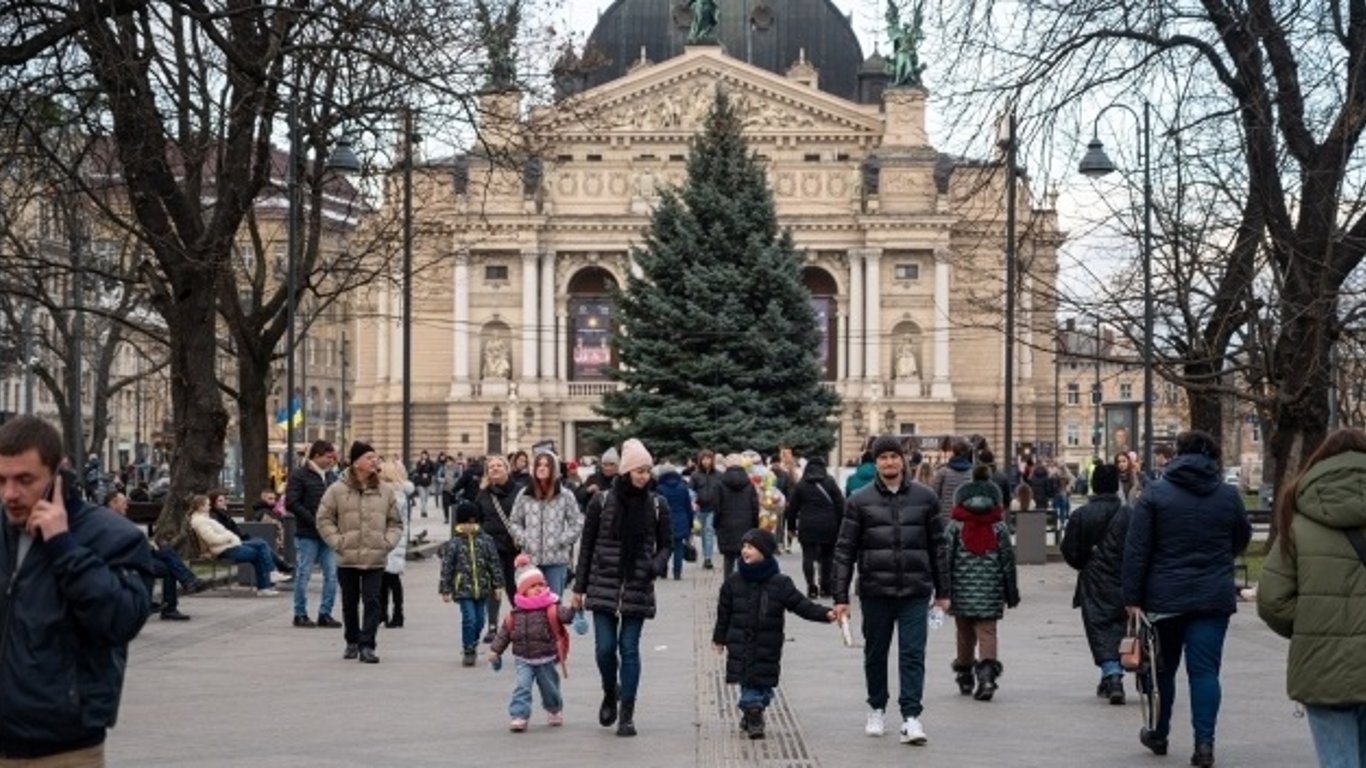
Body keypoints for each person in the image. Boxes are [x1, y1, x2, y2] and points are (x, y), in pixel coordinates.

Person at [0, 416, 154, 765]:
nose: (10, 494)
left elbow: (121, 620)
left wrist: (64, 547)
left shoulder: (112, 537)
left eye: (24, 480)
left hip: (65, 749)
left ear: (58, 476)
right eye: (1, 480)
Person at [1123, 430, 1251, 768]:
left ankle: (1159, 733)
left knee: (1162, 670)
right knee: (1205, 672)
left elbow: (1137, 550)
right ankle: (1204, 744)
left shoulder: (1155, 494)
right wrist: (1219, 561)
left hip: (1164, 596)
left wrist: (1132, 597)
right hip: (1213, 596)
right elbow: (1241, 537)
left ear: (1178, 454)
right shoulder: (1227, 495)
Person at [1257, 428, 1366, 768]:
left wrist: (1313, 624)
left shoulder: (1299, 518)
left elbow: (1272, 600)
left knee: (1338, 762)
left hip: (1323, 666)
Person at [832, 434, 950, 746]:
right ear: (876, 462)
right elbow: (844, 550)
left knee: (913, 654)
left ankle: (911, 717)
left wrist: (943, 592)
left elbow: (939, 547)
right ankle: (876, 708)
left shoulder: (925, 498)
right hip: (875, 590)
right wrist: (840, 596)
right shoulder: (859, 500)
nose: (888, 462)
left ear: (903, 460)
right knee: (876, 653)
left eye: (893, 456)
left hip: (914, 590)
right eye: (882, 457)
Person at [572, 438, 672, 737]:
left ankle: (627, 713)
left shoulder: (657, 504)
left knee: (628, 649)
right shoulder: (600, 502)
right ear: (626, 471)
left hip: (637, 585)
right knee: (604, 650)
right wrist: (578, 588)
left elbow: (667, 544)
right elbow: (586, 546)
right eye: (639, 470)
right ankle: (609, 691)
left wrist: (654, 566)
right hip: (603, 583)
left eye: (647, 470)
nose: (644, 476)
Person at [713, 528, 836, 739]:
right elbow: (723, 613)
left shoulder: (780, 583)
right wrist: (719, 638)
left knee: (763, 685)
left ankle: (752, 710)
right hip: (740, 643)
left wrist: (826, 614)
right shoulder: (733, 581)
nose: (745, 551)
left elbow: (801, 605)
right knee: (749, 683)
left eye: (750, 547)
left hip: (767, 644)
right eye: (744, 546)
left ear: (764, 551)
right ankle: (754, 715)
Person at [317, 441, 403, 664]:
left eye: (375, 457)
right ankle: (352, 641)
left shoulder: (385, 491)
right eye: (369, 457)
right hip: (348, 556)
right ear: (356, 463)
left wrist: (387, 542)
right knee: (349, 601)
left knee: (373, 601)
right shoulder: (337, 489)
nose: (374, 461)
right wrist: (338, 541)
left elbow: (396, 523)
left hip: (375, 556)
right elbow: (324, 519)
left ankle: (368, 645)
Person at [945, 464, 1018, 701]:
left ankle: (965, 676)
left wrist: (942, 589)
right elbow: (1008, 561)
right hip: (990, 591)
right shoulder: (999, 527)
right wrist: (1011, 592)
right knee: (988, 632)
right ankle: (987, 678)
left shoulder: (956, 526)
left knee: (964, 633)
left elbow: (945, 558)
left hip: (961, 590)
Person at [1060, 463, 1131, 705]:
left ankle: (1111, 674)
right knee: (1123, 626)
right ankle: (1116, 672)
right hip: (1125, 578)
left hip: (1094, 580)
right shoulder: (1129, 514)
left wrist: (1085, 564)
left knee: (1099, 626)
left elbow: (1069, 549)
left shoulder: (1082, 515)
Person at [489, 555, 577, 731]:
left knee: (550, 688)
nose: (537, 589)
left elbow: (566, 617)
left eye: (540, 585)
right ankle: (519, 715)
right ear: (522, 591)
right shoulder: (515, 613)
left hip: (546, 657)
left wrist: (574, 607)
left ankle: (554, 709)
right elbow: (504, 633)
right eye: (532, 587)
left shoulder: (551, 606)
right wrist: (495, 650)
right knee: (522, 687)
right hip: (523, 659)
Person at [106, 490, 201, 621]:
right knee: (168, 564)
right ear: (113, 503)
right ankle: (184, 585)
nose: (127, 505)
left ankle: (182, 589)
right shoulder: (106, 520)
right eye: (124, 503)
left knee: (166, 553)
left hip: (139, 554)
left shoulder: (118, 518)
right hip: (127, 558)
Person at [508, 452, 583, 597]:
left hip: (556, 560)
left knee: (553, 605)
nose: (541, 468)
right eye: (539, 465)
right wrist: (524, 538)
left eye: (546, 465)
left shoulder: (565, 495)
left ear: (554, 469)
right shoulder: (525, 494)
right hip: (531, 560)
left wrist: (563, 540)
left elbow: (577, 522)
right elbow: (514, 521)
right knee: (532, 606)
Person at [441, 500, 505, 667]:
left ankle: (473, 642)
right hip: (463, 589)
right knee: (469, 618)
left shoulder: (486, 540)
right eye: (464, 523)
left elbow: (494, 563)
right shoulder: (454, 542)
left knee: (480, 620)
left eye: (471, 522)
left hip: (483, 588)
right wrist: (445, 589)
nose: (468, 526)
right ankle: (468, 649)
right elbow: (447, 566)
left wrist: (498, 585)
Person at [286, 440, 341, 628]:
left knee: (332, 575)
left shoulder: (333, 477)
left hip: (329, 534)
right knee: (304, 574)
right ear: (317, 455)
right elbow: (292, 502)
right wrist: (314, 520)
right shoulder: (299, 476)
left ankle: (325, 613)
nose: (331, 461)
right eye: (328, 457)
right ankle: (299, 613)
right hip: (307, 533)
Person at [188, 494, 281, 595]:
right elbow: (212, 539)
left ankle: (270, 577)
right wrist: (229, 537)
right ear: (200, 507)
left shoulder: (204, 519)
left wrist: (230, 538)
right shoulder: (201, 521)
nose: (210, 507)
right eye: (207, 505)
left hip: (227, 546)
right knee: (258, 551)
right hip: (223, 549)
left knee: (260, 543)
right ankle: (266, 583)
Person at [784, 456, 844, 598]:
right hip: (829, 525)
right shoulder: (830, 482)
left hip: (807, 525)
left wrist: (791, 527)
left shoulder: (802, 485)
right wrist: (841, 524)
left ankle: (811, 586)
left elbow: (792, 509)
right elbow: (840, 504)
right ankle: (826, 587)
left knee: (808, 557)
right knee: (828, 556)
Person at [476, 454, 521, 642]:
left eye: (498, 466)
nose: (494, 469)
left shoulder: (520, 491)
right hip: (491, 547)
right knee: (493, 586)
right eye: (491, 467)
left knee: (515, 587)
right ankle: (493, 626)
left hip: (515, 548)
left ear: (507, 469)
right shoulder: (483, 494)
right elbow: (477, 520)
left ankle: (521, 623)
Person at [208, 490, 292, 578]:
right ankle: (274, 571)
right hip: (229, 544)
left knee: (261, 544)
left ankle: (273, 574)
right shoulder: (216, 516)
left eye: (224, 499)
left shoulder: (223, 513)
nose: (224, 502)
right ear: (213, 503)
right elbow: (224, 531)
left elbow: (233, 529)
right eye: (220, 500)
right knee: (261, 545)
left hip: (235, 541)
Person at [379, 458, 412, 629]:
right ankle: (383, 612)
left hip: (392, 540)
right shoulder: (392, 492)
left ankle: (397, 613)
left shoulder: (395, 494)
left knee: (391, 578)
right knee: (384, 579)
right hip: (389, 538)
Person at [713, 454, 760, 576]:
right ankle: (744, 587)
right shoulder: (749, 485)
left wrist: (716, 524)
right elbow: (755, 507)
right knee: (745, 558)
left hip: (726, 524)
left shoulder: (720, 484)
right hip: (746, 524)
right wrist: (755, 525)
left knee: (728, 559)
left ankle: (728, 588)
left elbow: (717, 507)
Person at [654, 463, 694, 580]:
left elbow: (657, 507)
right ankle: (677, 572)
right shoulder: (683, 487)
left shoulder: (660, 488)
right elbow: (688, 507)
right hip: (681, 519)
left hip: (665, 521)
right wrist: (690, 523)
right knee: (678, 547)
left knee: (663, 546)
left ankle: (663, 570)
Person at [690, 449, 722, 569]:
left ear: (712, 460)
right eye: (704, 459)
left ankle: (708, 558)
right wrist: (693, 500)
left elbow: (722, 490)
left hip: (713, 508)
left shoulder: (719, 475)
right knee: (703, 533)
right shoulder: (696, 475)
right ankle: (705, 554)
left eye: (708, 459)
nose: (706, 461)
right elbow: (691, 491)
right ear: (700, 460)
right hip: (700, 508)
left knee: (709, 531)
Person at [931, 439, 974, 519]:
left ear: (953, 452)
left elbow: (933, 496)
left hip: (946, 519)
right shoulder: (973, 473)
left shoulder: (942, 472)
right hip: (968, 521)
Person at [413, 450, 436, 518]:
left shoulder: (431, 463)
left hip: (428, 482)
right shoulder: (419, 462)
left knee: (426, 498)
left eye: (425, 455)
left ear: (427, 455)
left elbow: (433, 471)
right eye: (422, 455)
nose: (424, 456)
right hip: (420, 482)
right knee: (422, 497)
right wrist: (422, 465)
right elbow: (417, 470)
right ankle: (424, 512)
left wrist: (429, 475)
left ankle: (424, 510)